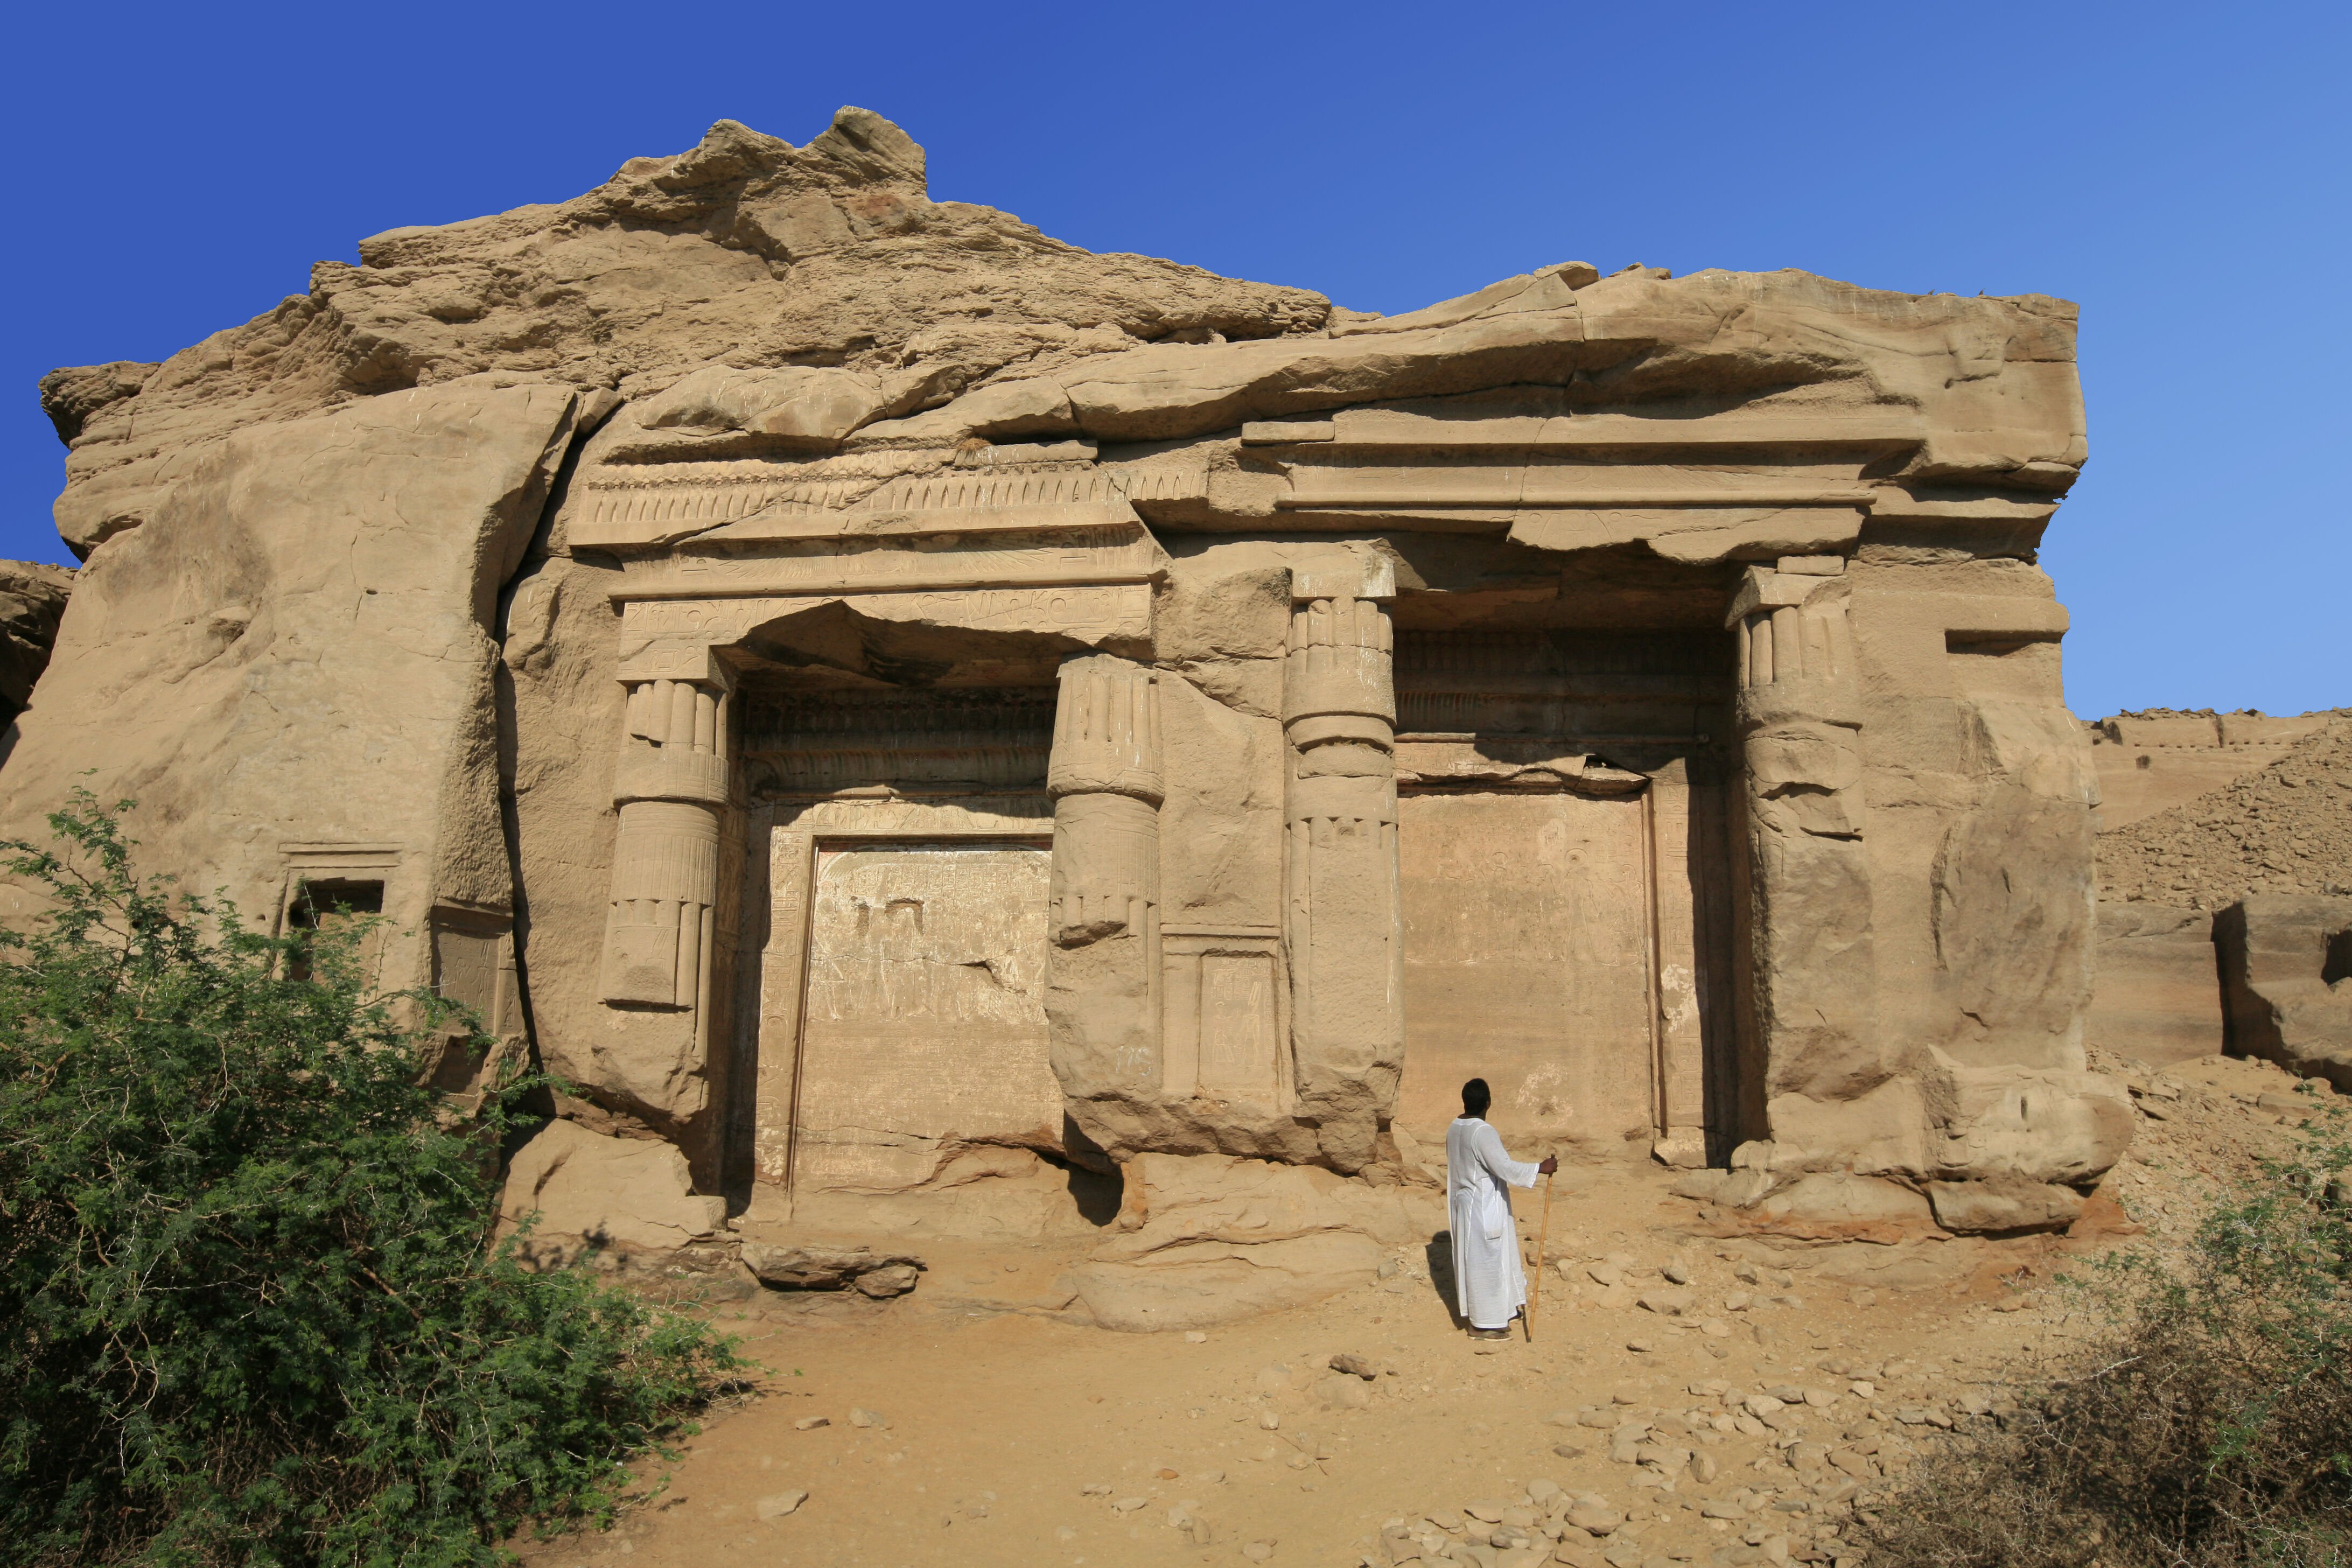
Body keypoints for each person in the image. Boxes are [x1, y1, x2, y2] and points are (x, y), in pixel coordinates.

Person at [1445, 1077, 1557, 1340]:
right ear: (1488, 1103)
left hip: (1466, 1205)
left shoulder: (1455, 1127)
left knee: (1484, 1260)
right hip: (1483, 1207)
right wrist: (1540, 1168)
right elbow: (1503, 1167)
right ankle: (1484, 1324)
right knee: (1487, 1263)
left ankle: (1501, 1311)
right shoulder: (1482, 1131)